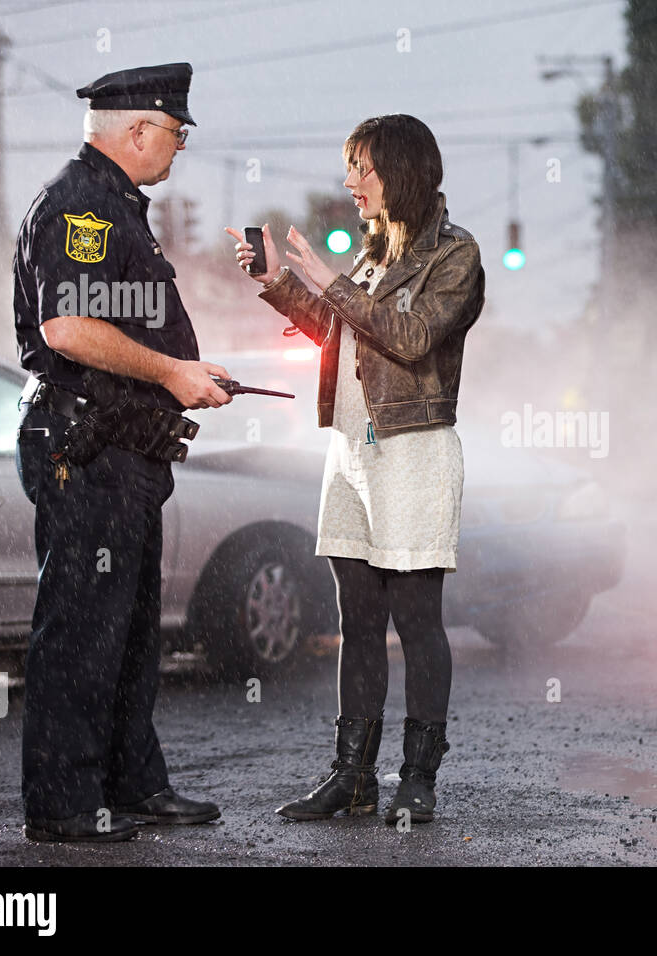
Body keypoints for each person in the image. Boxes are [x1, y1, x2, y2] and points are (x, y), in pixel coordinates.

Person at [225, 114, 485, 825]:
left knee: (416, 619)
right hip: (351, 450)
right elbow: (341, 332)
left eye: (362, 168)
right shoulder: (372, 255)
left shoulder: (455, 256)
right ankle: (353, 775)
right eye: (349, 167)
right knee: (358, 618)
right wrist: (280, 281)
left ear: (399, 172)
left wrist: (329, 280)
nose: (350, 182)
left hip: (413, 451)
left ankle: (420, 777)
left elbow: (409, 336)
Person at [13, 62, 230, 843]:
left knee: (131, 631)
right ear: (137, 130)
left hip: (122, 455)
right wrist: (173, 371)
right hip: (89, 449)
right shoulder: (83, 205)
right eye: (175, 132)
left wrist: (184, 374)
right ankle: (65, 805)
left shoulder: (117, 206)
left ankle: (131, 784)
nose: (178, 148)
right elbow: (67, 327)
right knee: (81, 631)